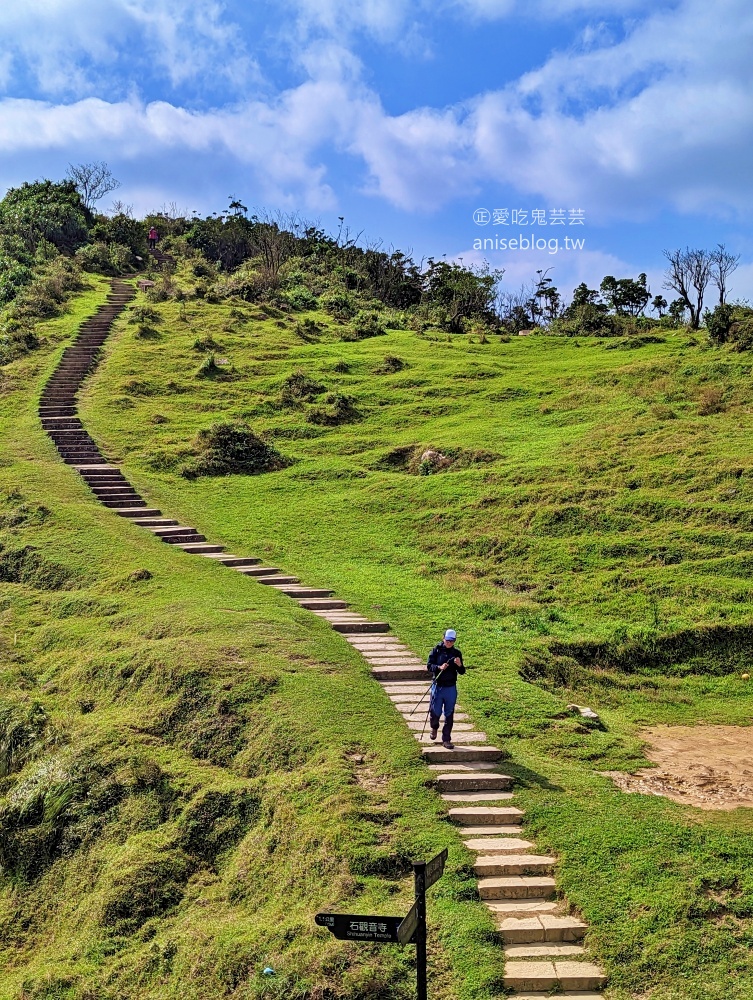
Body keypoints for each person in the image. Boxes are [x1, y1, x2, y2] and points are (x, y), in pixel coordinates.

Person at [426, 629, 465, 749]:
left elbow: (462, 671)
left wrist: (459, 665)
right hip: (438, 686)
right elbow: (429, 666)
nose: (449, 643)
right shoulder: (436, 650)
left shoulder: (457, 653)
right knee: (435, 710)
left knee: (449, 713)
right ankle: (434, 727)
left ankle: (446, 739)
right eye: (448, 640)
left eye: (452, 641)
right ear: (443, 638)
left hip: (451, 688)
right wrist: (439, 667)